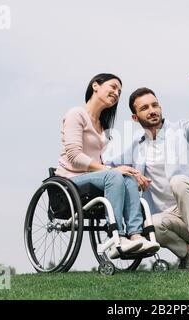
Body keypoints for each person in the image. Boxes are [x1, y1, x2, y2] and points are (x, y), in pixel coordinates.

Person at [107, 85, 189, 273]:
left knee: (178, 181)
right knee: (149, 226)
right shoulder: (137, 146)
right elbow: (108, 167)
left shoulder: (181, 130)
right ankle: (188, 256)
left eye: (155, 105)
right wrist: (126, 170)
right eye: (144, 108)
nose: (152, 110)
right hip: (174, 219)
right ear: (135, 118)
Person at [55, 73, 160, 259]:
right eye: (112, 87)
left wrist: (132, 172)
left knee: (127, 176)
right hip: (69, 179)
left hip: (91, 178)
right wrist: (112, 170)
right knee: (115, 175)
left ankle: (135, 234)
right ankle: (117, 236)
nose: (116, 92)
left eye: (119, 91)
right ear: (95, 86)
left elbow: (100, 162)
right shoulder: (76, 114)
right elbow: (74, 157)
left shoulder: (102, 125)